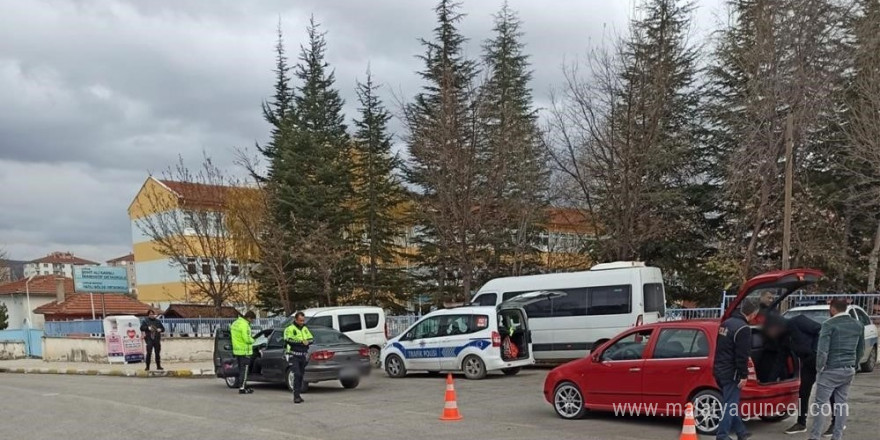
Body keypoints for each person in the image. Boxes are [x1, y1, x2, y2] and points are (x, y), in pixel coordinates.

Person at [808, 300, 865, 440]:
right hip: (848, 370)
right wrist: (854, 365)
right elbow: (860, 349)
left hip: (830, 369)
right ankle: (837, 436)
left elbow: (822, 351)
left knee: (820, 405)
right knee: (841, 404)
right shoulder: (858, 325)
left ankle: (815, 436)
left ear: (832, 309)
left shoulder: (829, 324)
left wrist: (819, 368)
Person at [777, 314, 835, 434]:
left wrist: (815, 351)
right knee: (803, 391)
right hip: (807, 363)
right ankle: (801, 423)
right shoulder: (783, 337)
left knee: (829, 392)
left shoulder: (798, 320)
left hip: (819, 359)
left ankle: (836, 423)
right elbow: (783, 356)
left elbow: (820, 329)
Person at [713, 298, 759, 440]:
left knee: (730, 401)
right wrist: (743, 375)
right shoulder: (743, 328)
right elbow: (742, 355)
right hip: (732, 373)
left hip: (719, 369)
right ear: (753, 314)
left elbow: (720, 348)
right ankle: (722, 436)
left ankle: (741, 432)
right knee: (730, 405)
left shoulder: (726, 324)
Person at [284, 311, 314, 404]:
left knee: (301, 375)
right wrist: (301, 342)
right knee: (296, 374)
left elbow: (311, 339)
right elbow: (288, 340)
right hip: (293, 355)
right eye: (300, 320)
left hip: (303, 355)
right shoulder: (289, 329)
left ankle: (298, 395)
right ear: (295, 320)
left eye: (303, 320)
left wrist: (307, 342)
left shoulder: (305, 328)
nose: (302, 322)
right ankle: (296, 396)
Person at [230, 311, 256, 395]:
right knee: (244, 370)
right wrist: (254, 340)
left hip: (237, 350)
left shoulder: (235, 323)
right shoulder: (245, 325)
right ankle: (242, 388)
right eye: (252, 320)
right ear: (249, 318)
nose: (252, 322)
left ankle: (242, 386)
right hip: (245, 351)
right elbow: (246, 338)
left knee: (240, 369)